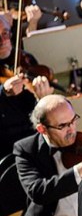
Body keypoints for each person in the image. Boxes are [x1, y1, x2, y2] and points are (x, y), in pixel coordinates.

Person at [0, 14, 53, 159]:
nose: (3, 41)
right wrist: (2, 92)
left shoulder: (25, 58)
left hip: (33, 134)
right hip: (5, 143)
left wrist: (42, 99)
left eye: (5, 33)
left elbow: (34, 110)